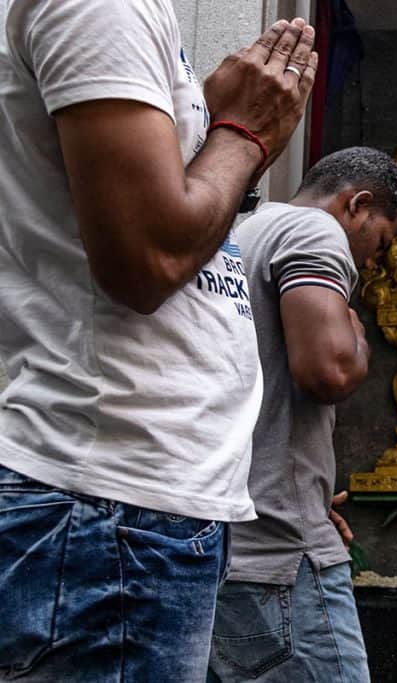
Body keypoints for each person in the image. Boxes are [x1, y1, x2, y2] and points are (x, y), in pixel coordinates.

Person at [0, 2, 315, 680]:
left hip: (137, 505)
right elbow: (147, 257)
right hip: (107, 501)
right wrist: (244, 133)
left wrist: (216, 130)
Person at [207, 147, 397, 682]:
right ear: (357, 205)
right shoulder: (315, 232)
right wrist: (358, 335)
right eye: (380, 242)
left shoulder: (242, 235)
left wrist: (309, 494)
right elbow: (329, 372)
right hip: (284, 559)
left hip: (230, 546)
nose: (371, 262)